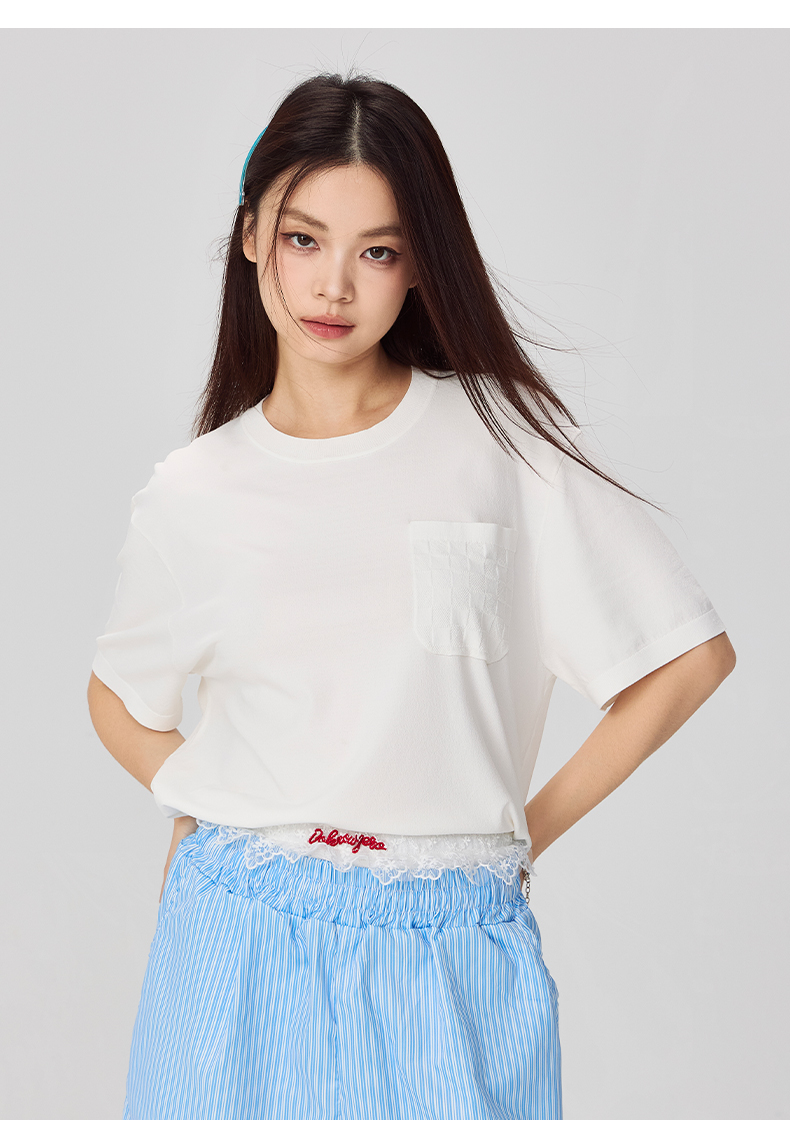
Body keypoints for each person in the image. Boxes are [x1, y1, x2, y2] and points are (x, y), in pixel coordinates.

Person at [87, 71, 736, 1121]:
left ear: (419, 264)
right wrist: (206, 797)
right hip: (234, 934)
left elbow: (685, 658)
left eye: (378, 251)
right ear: (250, 236)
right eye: (303, 239)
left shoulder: (496, 440)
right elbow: (118, 694)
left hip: (450, 948)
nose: (333, 286)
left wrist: (521, 839)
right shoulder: (195, 491)